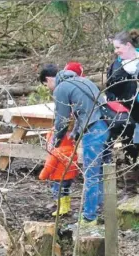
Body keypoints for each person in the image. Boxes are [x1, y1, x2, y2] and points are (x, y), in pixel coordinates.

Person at [39, 64, 109, 225]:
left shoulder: (61, 88)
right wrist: (76, 133)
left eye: (46, 85)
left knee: (91, 173)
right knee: (102, 171)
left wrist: (54, 142)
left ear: (49, 79)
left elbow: (62, 120)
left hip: (94, 130)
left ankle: (89, 217)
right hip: (107, 126)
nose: (48, 88)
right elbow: (85, 110)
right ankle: (100, 208)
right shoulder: (83, 81)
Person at [106, 29, 139, 190]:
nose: (116, 52)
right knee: (129, 142)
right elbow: (110, 89)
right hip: (127, 112)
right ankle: (131, 173)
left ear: (128, 45)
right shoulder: (115, 66)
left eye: (118, 48)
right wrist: (115, 103)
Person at [39, 125, 78, 217]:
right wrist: (75, 174)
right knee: (66, 190)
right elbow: (75, 165)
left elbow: (49, 166)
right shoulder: (73, 150)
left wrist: (42, 176)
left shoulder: (56, 152)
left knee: (58, 192)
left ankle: (61, 208)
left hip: (59, 177)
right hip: (69, 177)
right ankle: (66, 206)